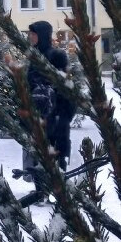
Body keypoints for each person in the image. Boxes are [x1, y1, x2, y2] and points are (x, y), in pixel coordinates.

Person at [27, 21, 74, 174]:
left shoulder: (56, 56)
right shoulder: (34, 56)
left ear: (41, 35)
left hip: (56, 116)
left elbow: (65, 87)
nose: (30, 37)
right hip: (39, 116)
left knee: (57, 162)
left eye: (33, 34)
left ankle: (59, 195)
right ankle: (41, 194)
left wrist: (63, 115)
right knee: (39, 159)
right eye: (30, 34)